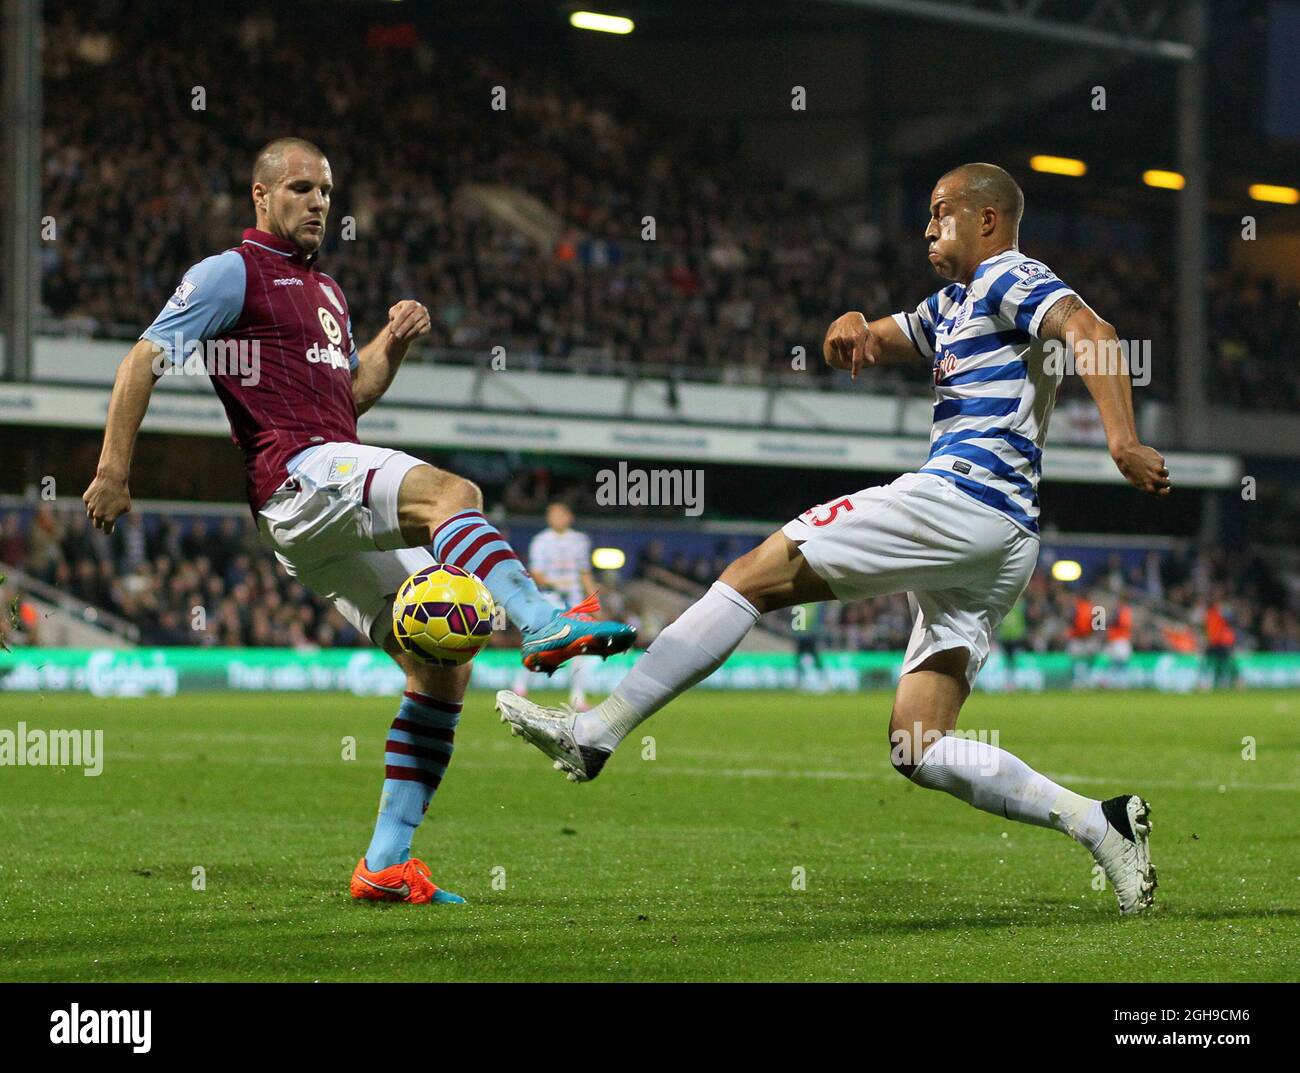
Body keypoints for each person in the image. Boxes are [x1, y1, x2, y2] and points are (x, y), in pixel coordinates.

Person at [498, 162, 1170, 914]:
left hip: (964, 499)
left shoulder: (1009, 275)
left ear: (987, 219)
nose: (926, 228)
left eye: (941, 212)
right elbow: (876, 340)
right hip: (1000, 535)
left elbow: (1093, 331)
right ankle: (1101, 824)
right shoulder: (952, 302)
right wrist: (849, 329)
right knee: (918, 743)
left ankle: (599, 730)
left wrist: (1122, 440)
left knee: (754, 573)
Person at [81, 137, 635, 906]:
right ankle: (541, 618)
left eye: (327, 191)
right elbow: (143, 357)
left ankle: (385, 862)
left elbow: (348, 396)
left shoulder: (328, 292)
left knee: (442, 667)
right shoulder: (229, 273)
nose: (318, 202)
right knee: (453, 494)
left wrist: (391, 344)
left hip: (317, 494)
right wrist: (114, 468)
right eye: (302, 188)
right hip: (297, 475)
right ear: (261, 196)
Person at [511, 502, 599, 710]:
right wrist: (554, 584)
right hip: (549, 600)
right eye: (552, 514)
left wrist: (594, 600)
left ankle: (578, 697)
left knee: (579, 647)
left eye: (560, 514)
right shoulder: (541, 541)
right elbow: (536, 573)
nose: (556, 518)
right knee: (540, 643)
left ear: (569, 516)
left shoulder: (579, 541)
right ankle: (520, 687)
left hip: (574, 601)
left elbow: (584, 573)